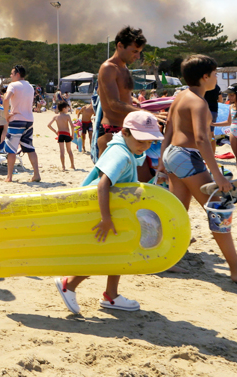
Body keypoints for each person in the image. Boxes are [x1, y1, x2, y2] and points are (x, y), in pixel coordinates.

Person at [156, 54, 237, 283]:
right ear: (205, 76)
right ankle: (236, 267)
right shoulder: (198, 102)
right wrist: (218, 176)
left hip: (173, 155)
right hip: (188, 156)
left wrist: (161, 163)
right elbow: (200, 139)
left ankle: (164, 256)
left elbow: (168, 128)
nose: (217, 77)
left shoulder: (180, 96)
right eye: (216, 73)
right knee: (219, 206)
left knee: (177, 210)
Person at [55, 111, 164, 314]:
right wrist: (106, 218)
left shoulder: (127, 149)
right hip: (99, 211)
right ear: (125, 132)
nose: (145, 146)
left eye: (150, 142)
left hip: (111, 209)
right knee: (102, 253)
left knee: (119, 250)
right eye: (141, 140)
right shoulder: (120, 154)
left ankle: (111, 295)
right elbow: (103, 184)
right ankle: (68, 284)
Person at [97, 27, 147, 156]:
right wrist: (145, 113)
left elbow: (101, 91)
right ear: (120, 45)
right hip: (111, 130)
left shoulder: (123, 68)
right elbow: (114, 104)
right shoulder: (109, 68)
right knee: (108, 175)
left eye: (139, 52)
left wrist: (132, 100)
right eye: (134, 51)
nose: (138, 56)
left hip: (126, 129)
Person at [2, 65, 41, 183]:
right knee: (29, 148)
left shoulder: (13, 85)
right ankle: (36, 174)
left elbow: (6, 99)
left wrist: (6, 114)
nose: (10, 75)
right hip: (29, 119)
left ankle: (9, 176)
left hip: (17, 119)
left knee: (11, 149)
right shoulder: (30, 86)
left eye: (12, 73)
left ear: (17, 74)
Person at [47, 102, 76, 171]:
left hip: (60, 134)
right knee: (69, 150)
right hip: (67, 134)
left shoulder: (56, 116)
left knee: (62, 151)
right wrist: (72, 135)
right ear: (64, 109)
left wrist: (55, 131)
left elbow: (49, 125)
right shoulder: (67, 116)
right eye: (67, 108)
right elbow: (72, 126)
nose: (68, 109)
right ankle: (72, 165)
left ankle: (63, 166)